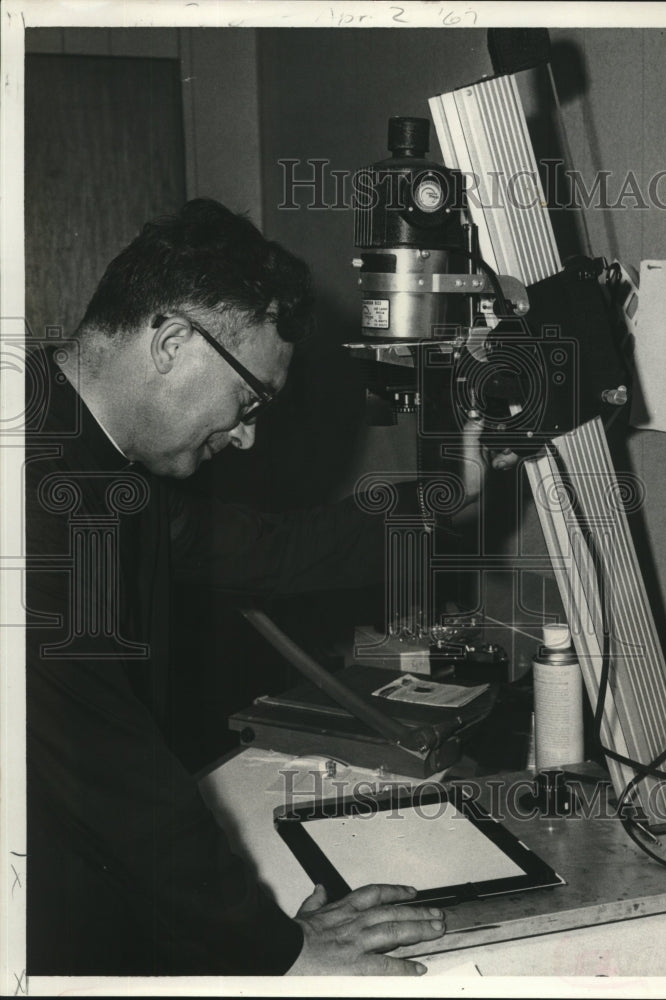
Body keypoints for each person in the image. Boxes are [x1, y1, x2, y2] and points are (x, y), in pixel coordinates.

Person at [24, 199, 447, 976]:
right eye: (249, 400)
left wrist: (451, 491)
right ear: (174, 342)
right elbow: (112, 777)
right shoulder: (34, 503)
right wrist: (278, 952)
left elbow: (270, 552)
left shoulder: (96, 460)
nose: (247, 433)